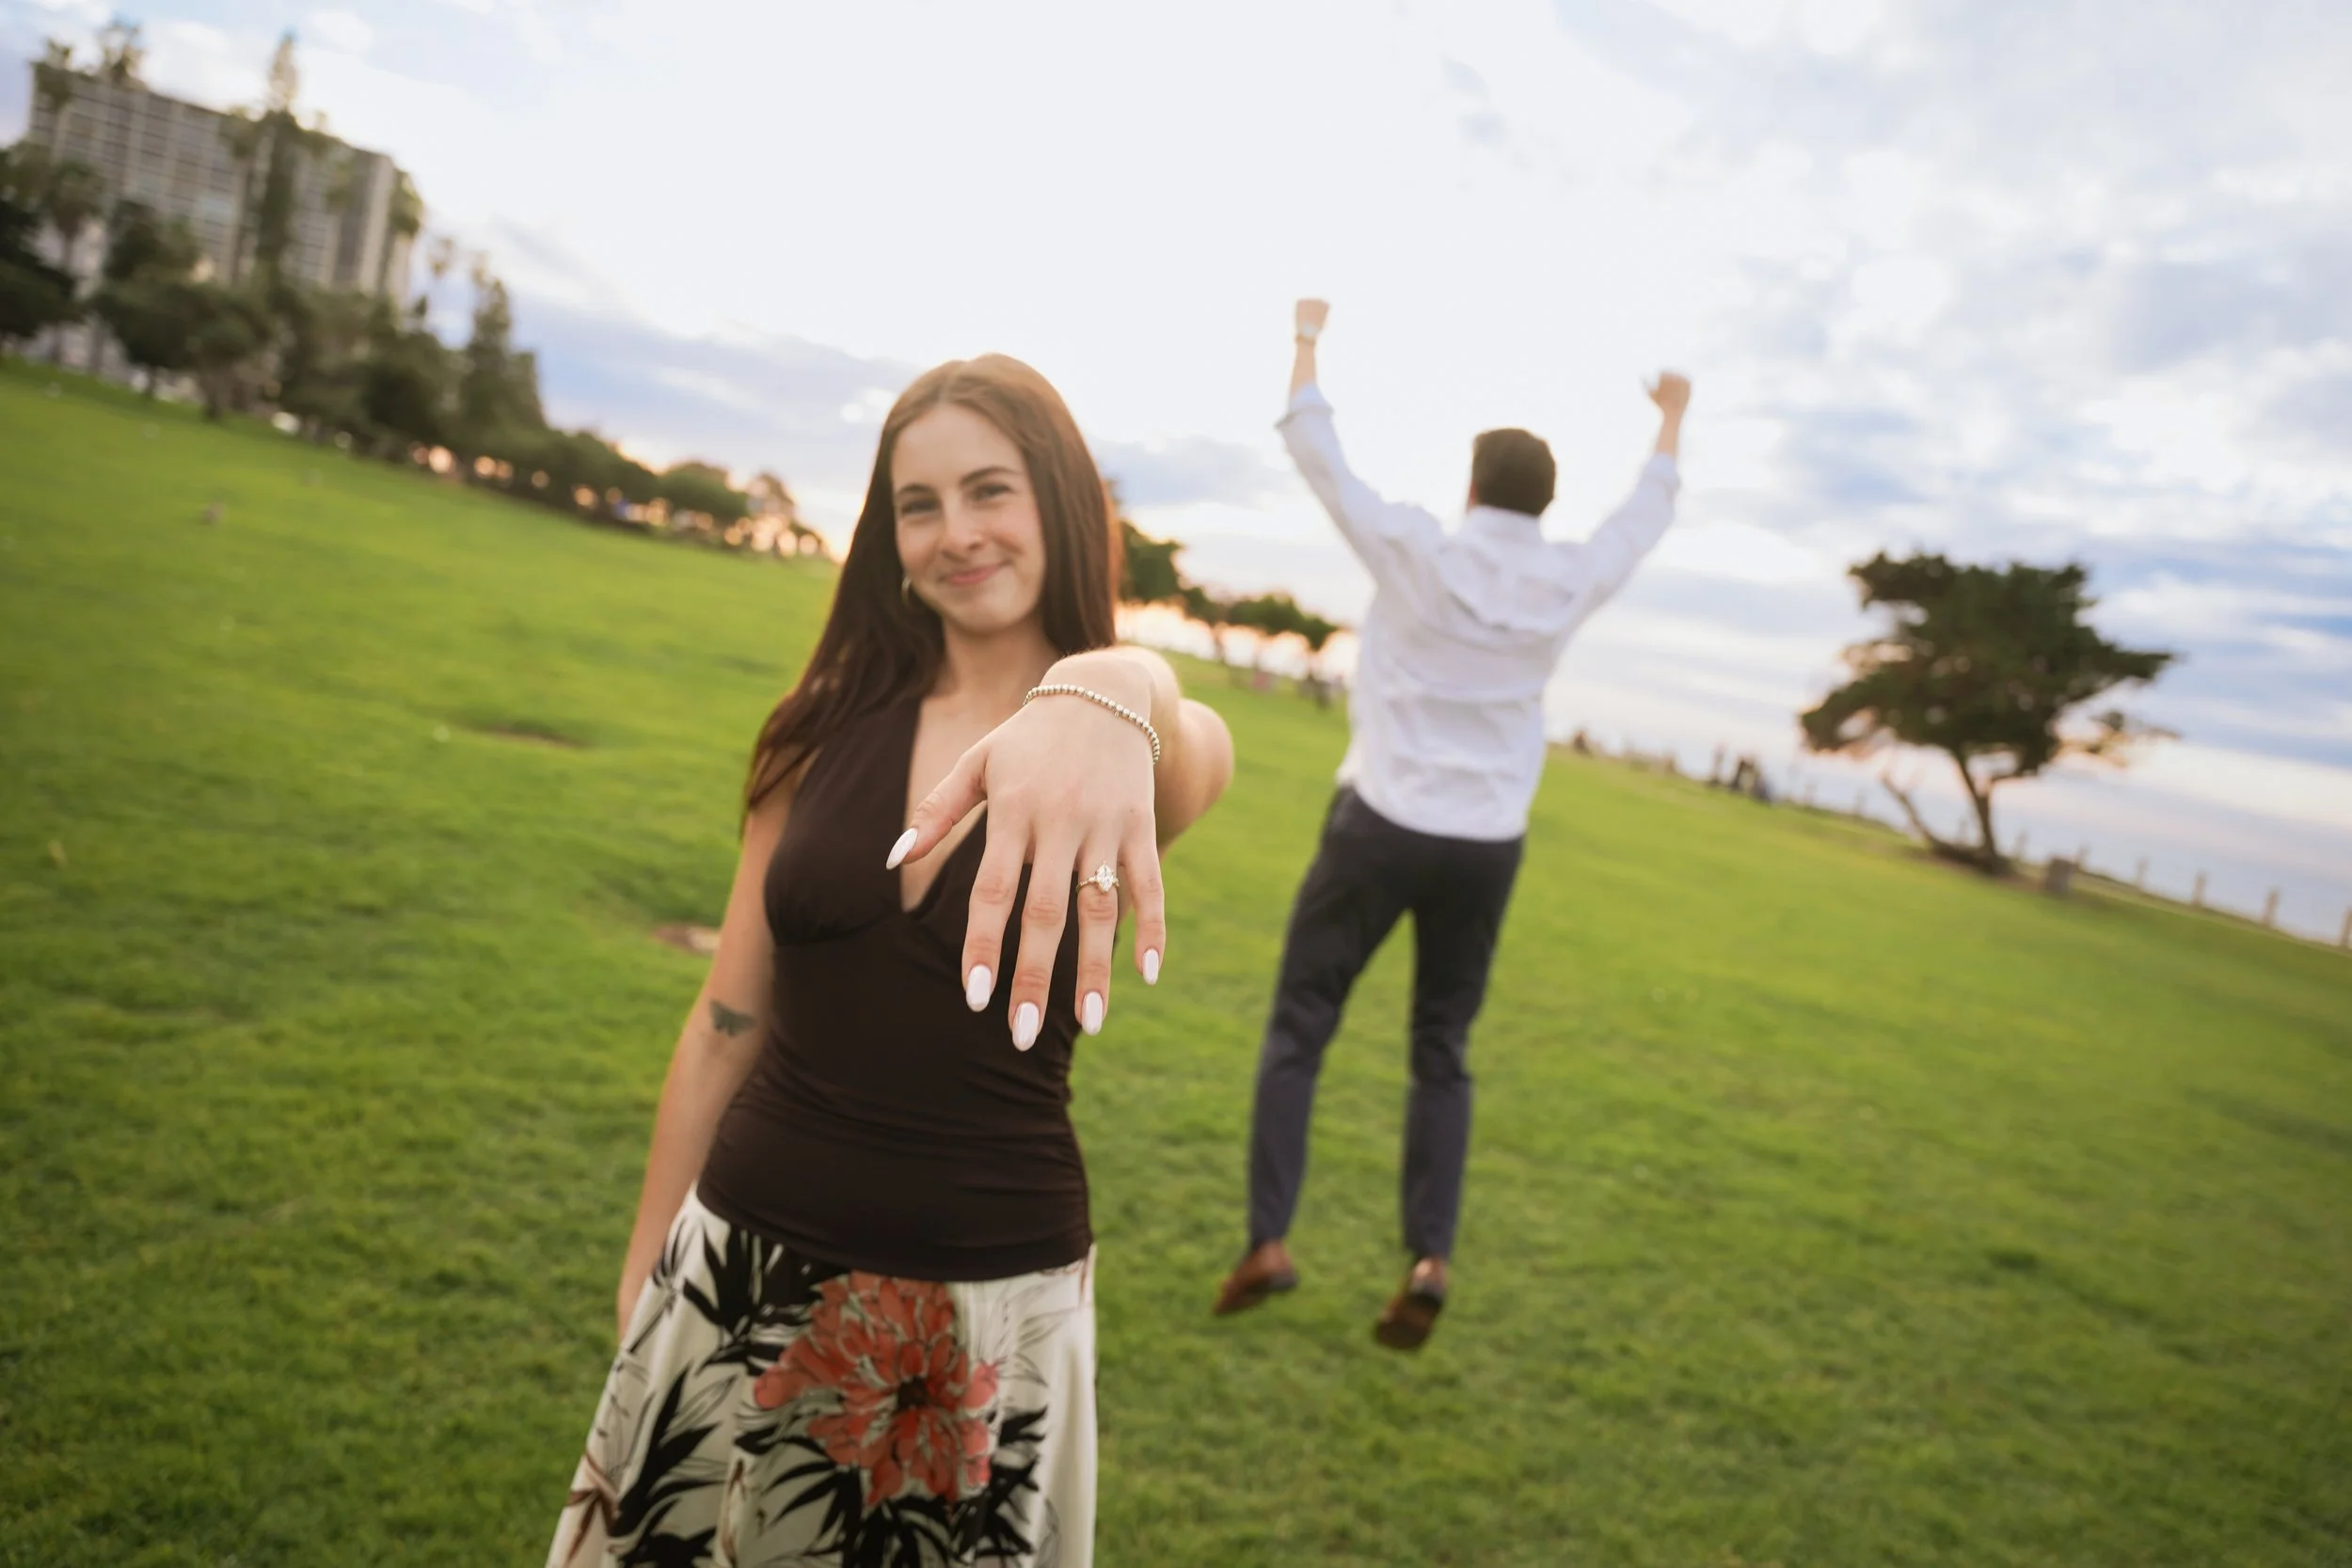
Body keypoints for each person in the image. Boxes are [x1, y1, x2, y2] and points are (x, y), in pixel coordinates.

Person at [548, 355, 1233, 1567]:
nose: (956, 532)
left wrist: (1116, 677)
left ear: (1061, 503)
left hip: (984, 1308)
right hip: (741, 1262)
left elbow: (1193, 740)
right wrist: (647, 1265)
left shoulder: (1118, 748)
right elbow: (725, 1021)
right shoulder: (819, 725)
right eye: (920, 505)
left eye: (989, 490)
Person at [1214, 299, 1691, 1349]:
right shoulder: (1570, 576)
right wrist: (1670, 415)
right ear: (1545, 503)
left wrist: (1306, 339)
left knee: (1301, 1025)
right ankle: (1428, 1258)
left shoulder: (1417, 547)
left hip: (1379, 820)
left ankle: (1269, 1239)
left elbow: (1315, 448)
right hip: (1486, 845)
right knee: (1442, 1047)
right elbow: (1644, 515)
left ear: (1471, 488)